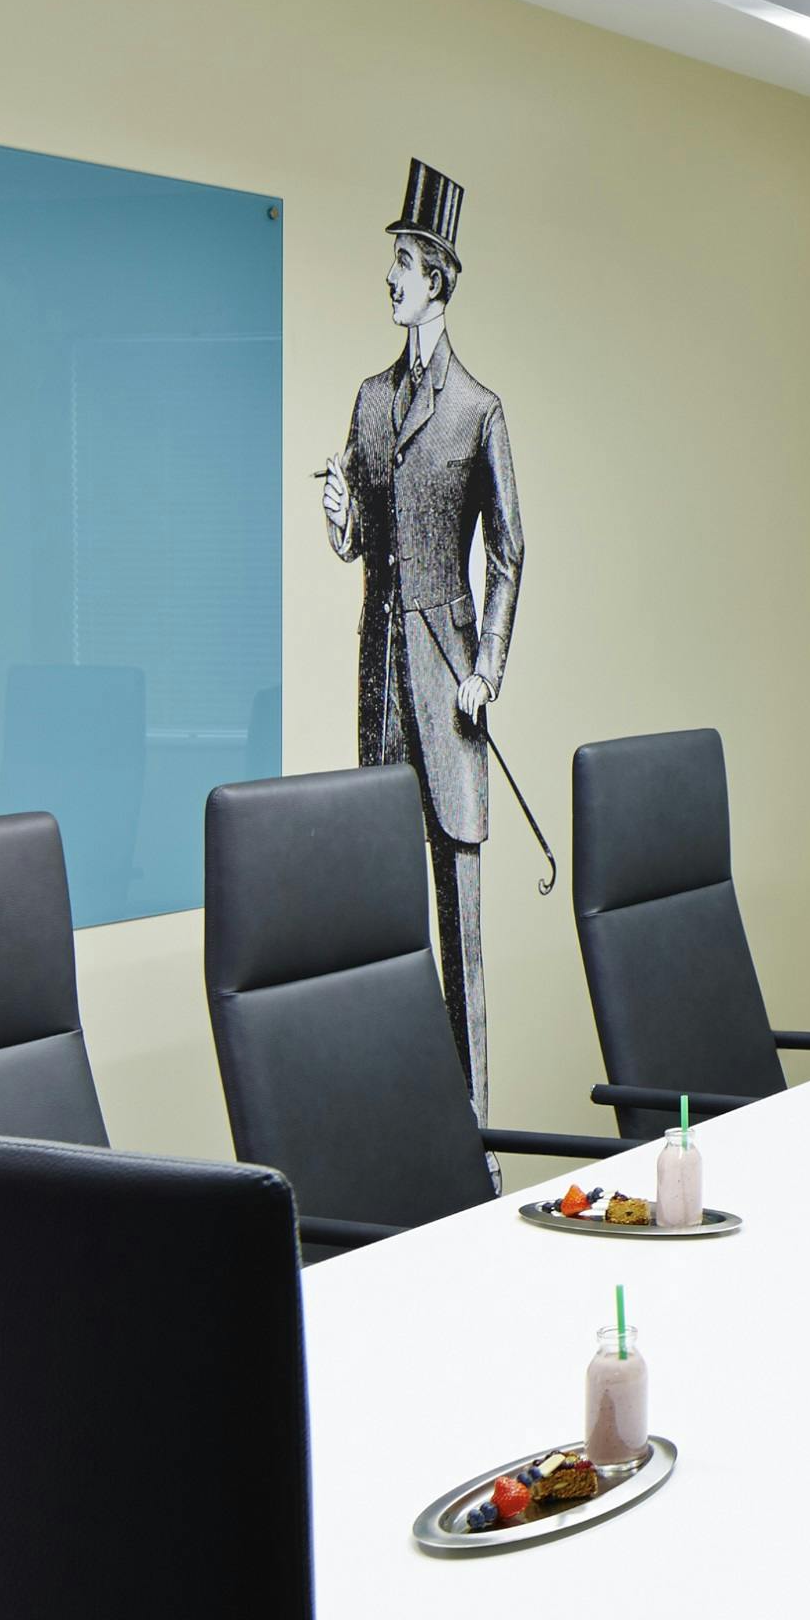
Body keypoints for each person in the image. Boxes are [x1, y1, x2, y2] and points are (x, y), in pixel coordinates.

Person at [321, 161, 523, 1119]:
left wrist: (488, 670)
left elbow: (511, 554)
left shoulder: (479, 410)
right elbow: (366, 535)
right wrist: (339, 516)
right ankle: (400, 1136)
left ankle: (475, 1142)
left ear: (438, 278)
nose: (392, 277)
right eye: (392, 260)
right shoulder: (368, 401)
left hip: (450, 702)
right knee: (384, 937)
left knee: (464, 946)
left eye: (405, 261)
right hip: (381, 701)